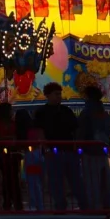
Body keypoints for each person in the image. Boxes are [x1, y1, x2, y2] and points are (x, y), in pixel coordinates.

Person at [35, 81, 87, 211]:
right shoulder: (41, 112)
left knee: (75, 180)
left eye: (60, 94)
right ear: (48, 95)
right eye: (56, 94)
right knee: (56, 180)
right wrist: (45, 147)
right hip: (53, 150)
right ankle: (60, 205)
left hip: (69, 149)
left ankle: (83, 204)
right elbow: (40, 131)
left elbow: (75, 129)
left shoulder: (66, 110)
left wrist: (76, 144)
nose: (59, 96)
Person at [77, 84, 110, 210]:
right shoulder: (103, 112)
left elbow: (82, 132)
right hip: (102, 150)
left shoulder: (86, 113)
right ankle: (107, 206)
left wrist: (79, 147)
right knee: (104, 181)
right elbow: (109, 130)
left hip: (89, 151)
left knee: (92, 182)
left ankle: (94, 207)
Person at [0, 102, 23, 212]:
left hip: (7, 151)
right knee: (11, 177)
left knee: (8, 177)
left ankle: (9, 201)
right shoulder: (8, 123)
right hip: (9, 151)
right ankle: (14, 201)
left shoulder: (0, 123)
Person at [20, 109, 46, 212]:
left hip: (32, 155)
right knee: (37, 182)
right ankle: (39, 205)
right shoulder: (39, 129)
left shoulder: (29, 130)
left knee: (32, 182)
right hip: (38, 154)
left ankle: (34, 204)